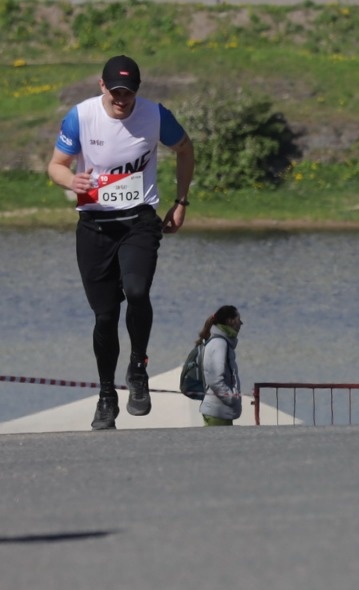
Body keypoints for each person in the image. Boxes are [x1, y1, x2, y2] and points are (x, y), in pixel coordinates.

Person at [47, 55, 195, 431]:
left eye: (128, 93)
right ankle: (105, 395)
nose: (121, 100)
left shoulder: (155, 115)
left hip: (139, 223)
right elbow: (56, 165)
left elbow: (185, 149)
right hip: (95, 227)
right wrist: (71, 181)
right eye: (115, 92)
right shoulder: (80, 117)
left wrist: (181, 201)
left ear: (137, 92)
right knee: (105, 317)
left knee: (137, 289)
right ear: (102, 86)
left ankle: (138, 368)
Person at [197, 306, 244, 426]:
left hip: (220, 410)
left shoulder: (219, 342)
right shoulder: (220, 344)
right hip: (218, 411)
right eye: (239, 320)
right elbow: (215, 379)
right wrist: (231, 398)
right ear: (230, 321)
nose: (241, 324)